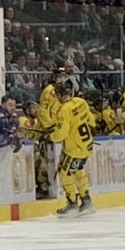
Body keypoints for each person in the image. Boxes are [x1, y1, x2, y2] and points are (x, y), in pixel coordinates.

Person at [50, 82, 96, 217]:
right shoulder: (81, 102)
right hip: (86, 145)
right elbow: (91, 121)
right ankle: (86, 201)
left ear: (59, 95)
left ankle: (72, 203)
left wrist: (50, 136)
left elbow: (61, 134)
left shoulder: (64, 110)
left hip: (73, 148)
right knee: (77, 171)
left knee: (64, 173)